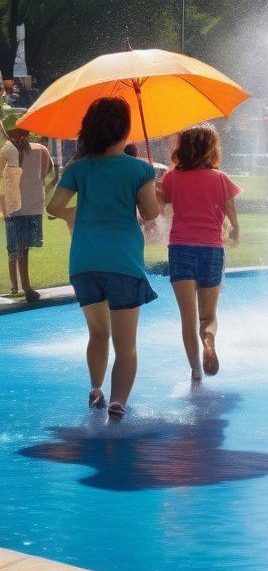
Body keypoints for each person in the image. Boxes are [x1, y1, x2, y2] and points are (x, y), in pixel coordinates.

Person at [46, 98, 160, 419]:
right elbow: (150, 212)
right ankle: (117, 402)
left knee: (98, 333)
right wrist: (153, 191)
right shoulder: (139, 169)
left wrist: (76, 213)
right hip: (123, 263)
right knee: (126, 347)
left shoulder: (79, 168)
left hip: (84, 264)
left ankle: (96, 390)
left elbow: (53, 208)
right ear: (125, 130)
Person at [158, 124, 240, 384]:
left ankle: (195, 372)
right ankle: (209, 341)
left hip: (181, 249)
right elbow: (231, 214)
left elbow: (158, 203)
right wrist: (235, 230)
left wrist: (156, 184)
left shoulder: (172, 177)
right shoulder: (220, 178)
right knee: (208, 316)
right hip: (212, 250)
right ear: (212, 149)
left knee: (187, 317)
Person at [0, 127, 52, 301]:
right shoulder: (36, 149)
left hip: (23, 205)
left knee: (19, 247)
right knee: (20, 247)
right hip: (27, 205)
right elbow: (44, 173)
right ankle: (22, 286)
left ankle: (21, 286)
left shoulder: (10, 150)